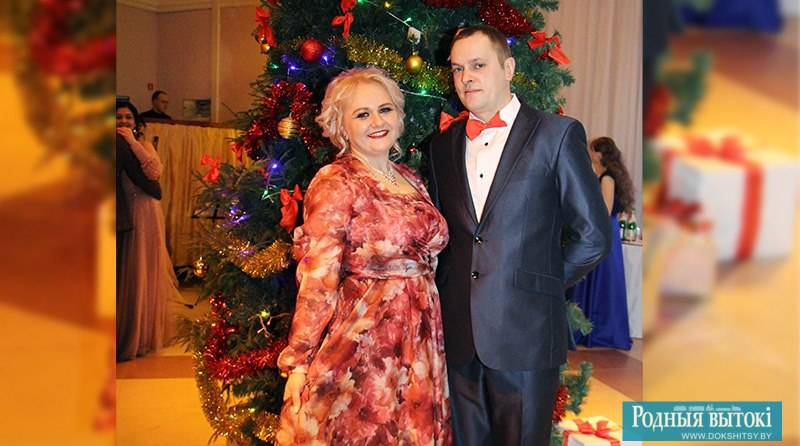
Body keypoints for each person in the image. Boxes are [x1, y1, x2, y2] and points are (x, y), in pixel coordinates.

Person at [428, 25, 611, 445]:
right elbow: (446, 240)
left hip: (526, 332)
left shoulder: (556, 135)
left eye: (478, 65)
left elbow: (593, 235)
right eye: (457, 69)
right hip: (459, 337)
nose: (466, 78)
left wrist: (538, 286)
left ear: (508, 68)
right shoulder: (441, 147)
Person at [275, 67, 452, 445]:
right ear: (341, 126)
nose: (377, 122)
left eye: (385, 110)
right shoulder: (335, 181)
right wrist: (299, 361)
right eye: (362, 114)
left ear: (398, 117)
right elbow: (318, 277)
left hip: (421, 336)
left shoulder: (411, 178)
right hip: (367, 341)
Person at [116, 100, 179, 362]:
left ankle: (145, 334)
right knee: (133, 270)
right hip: (127, 210)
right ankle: (131, 330)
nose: (123, 121)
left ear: (136, 122)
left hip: (148, 211)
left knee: (147, 267)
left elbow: (154, 172)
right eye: (118, 117)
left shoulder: (144, 145)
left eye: (128, 117)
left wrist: (132, 142)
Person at [567, 137, 634, 350]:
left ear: (600, 154)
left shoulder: (606, 179)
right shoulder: (603, 176)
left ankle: (599, 331)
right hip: (603, 230)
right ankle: (589, 329)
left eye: (592, 150)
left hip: (603, 231)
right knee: (595, 278)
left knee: (601, 279)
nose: (590, 153)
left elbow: (605, 210)